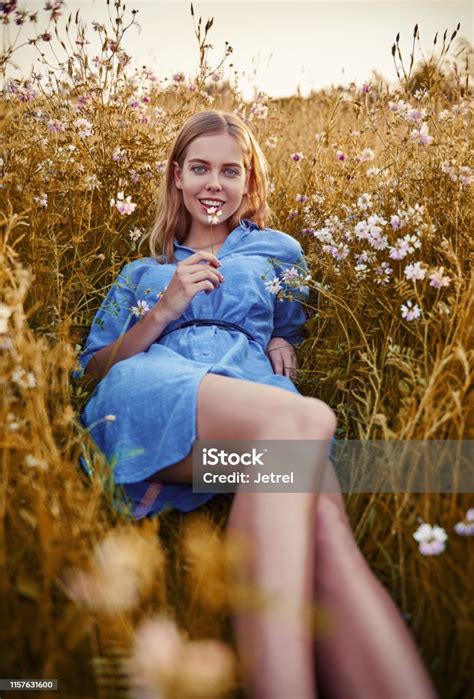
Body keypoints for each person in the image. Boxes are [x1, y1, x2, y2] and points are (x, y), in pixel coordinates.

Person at [75, 110, 438, 698]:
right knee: (304, 423)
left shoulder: (280, 252)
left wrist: (278, 339)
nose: (213, 184)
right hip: (154, 394)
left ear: (249, 182)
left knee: (321, 524)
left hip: (246, 432)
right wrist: (164, 308)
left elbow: (288, 321)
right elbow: (94, 370)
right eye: (199, 168)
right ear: (177, 176)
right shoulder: (140, 271)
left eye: (229, 171)